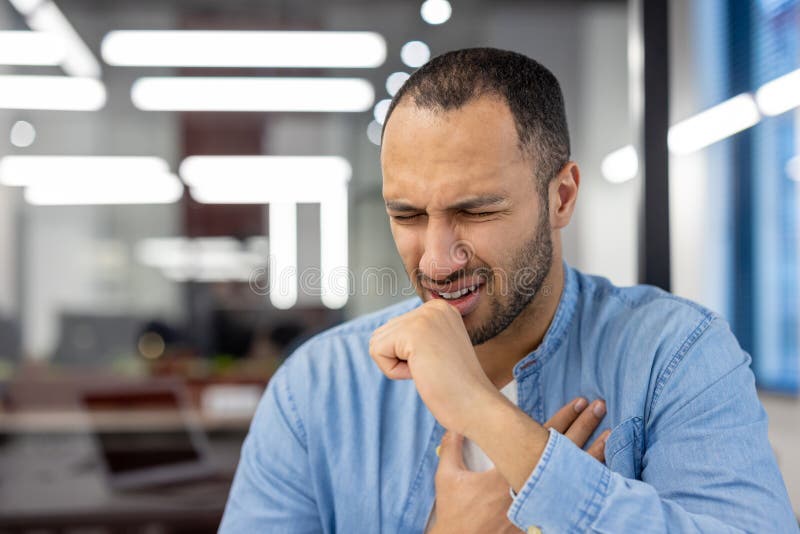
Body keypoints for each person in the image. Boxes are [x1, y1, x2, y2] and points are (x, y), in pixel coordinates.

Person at [219, 48, 797, 533]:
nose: (440, 260)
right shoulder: (317, 387)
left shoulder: (676, 354)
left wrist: (484, 412)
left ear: (562, 197)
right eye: (409, 215)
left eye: (477, 211)